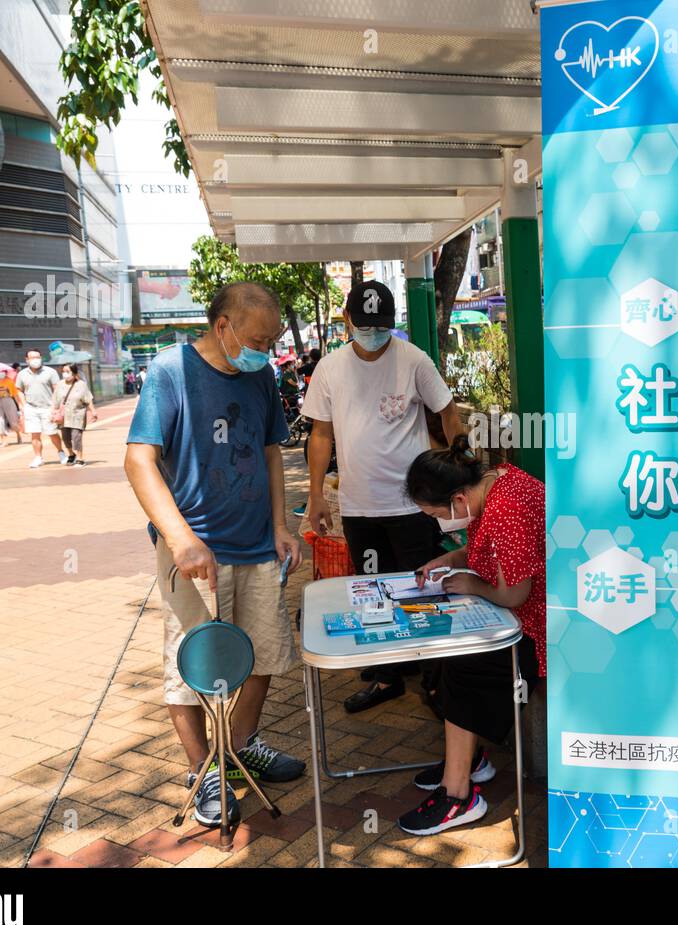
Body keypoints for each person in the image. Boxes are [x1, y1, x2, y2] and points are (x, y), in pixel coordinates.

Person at [124, 281, 305, 828]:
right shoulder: (170, 371)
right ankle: (203, 770)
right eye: (257, 338)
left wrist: (281, 525)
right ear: (222, 325)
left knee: (266, 654)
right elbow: (139, 461)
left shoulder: (262, 375)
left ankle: (242, 745)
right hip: (194, 550)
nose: (265, 350)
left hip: (256, 545)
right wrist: (179, 538)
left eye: (272, 340)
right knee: (193, 665)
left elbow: (272, 450)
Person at [302, 279, 464, 714]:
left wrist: (458, 460)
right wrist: (316, 495)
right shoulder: (330, 368)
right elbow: (320, 434)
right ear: (347, 320)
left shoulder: (412, 359)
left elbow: (446, 410)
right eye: (365, 325)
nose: (373, 335)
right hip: (359, 506)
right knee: (371, 589)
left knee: (418, 587)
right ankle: (389, 673)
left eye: (382, 327)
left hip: (413, 505)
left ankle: (430, 674)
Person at [397, 435, 547, 835]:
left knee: (466, 670)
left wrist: (471, 586)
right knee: (446, 666)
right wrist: (445, 560)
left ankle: (458, 795)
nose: (436, 521)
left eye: (434, 514)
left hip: (537, 628)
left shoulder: (507, 508)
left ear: (458, 499)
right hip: (520, 615)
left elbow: (516, 592)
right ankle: (470, 761)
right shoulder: (495, 483)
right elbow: (484, 548)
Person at [16, 349, 67, 468]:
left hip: (48, 408)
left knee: (52, 433)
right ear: (27, 360)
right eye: (32, 358)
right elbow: (18, 390)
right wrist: (23, 405)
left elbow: (57, 389)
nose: (35, 360)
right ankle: (38, 457)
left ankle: (61, 453)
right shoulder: (22, 374)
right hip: (31, 408)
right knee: (35, 434)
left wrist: (56, 407)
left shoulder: (50, 372)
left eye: (37, 357)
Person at [52, 364, 97, 467]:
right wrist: (53, 412)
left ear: (74, 373)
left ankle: (80, 458)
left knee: (76, 436)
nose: (65, 374)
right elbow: (55, 400)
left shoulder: (81, 384)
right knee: (66, 437)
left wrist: (93, 411)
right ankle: (71, 454)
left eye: (68, 371)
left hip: (77, 415)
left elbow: (88, 399)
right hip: (64, 416)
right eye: (63, 371)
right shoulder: (59, 384)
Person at [0, 374, 21, 446]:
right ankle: (4, 440)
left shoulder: (10, 382)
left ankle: (18, 434)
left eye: (2, 372)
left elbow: (15, 394)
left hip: (8, 400)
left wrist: (19, 405)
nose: (1, 373)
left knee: (13, 420)